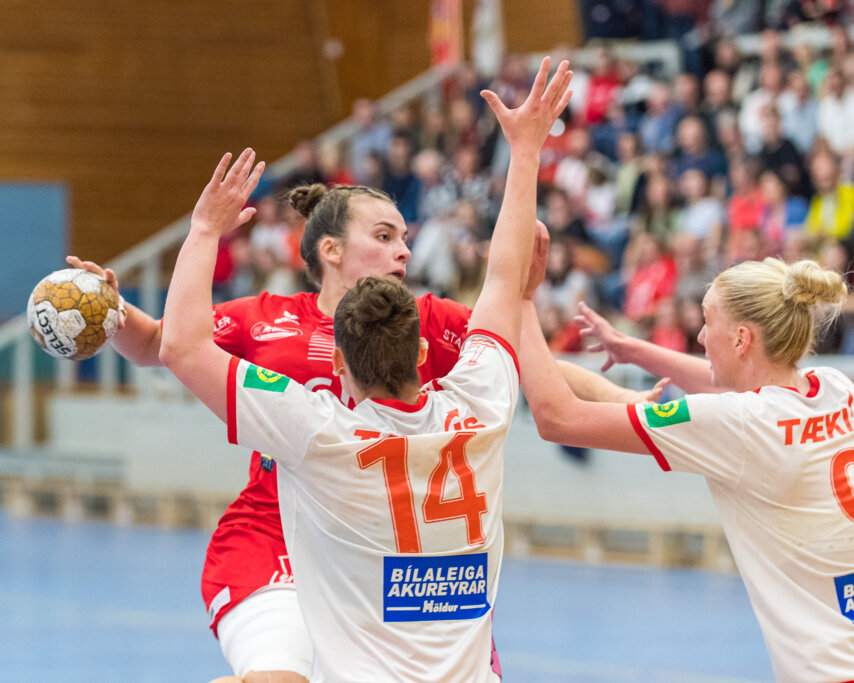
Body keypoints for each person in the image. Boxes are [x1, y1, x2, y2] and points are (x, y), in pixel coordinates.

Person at [67, 67, 662, 683]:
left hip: (386, 544)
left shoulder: (418, 323)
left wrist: (622, 394)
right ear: (330, 250)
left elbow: (539, 368)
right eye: (384, 236)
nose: (404, 250)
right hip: (276, 538)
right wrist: (110, 312)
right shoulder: (265, 318)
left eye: (405, 237)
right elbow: (161, 342)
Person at [158, 57, 571, 680]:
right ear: (427, 353)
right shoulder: (482, 403)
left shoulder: (320, 430)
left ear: (338, 365)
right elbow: (504, 279)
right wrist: (526, 151)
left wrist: (204, 230)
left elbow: (181, 347)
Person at [520, 257, 854, 681]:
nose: (698, 336)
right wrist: (631, 349)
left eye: (707, 322)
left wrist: (522, 299)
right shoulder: (834, 387)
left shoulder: (738, 424)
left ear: (742, 338)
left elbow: (558, 418)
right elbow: (730, 385)